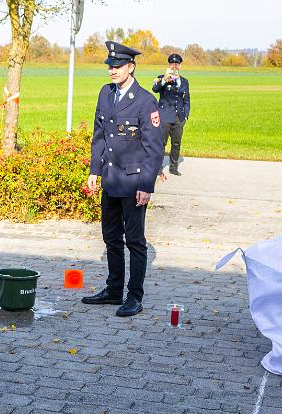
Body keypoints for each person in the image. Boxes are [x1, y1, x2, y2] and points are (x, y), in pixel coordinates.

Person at [83, 41, 163, 317]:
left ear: (131, 67)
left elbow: (154, 149)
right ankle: (114, 290)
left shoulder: (145, 100)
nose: (112, 71)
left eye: (117, 66)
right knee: (111, 237)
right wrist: (94, 170)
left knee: (135, 241)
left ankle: (134, 296)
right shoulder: (105, 94)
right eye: (109, 66)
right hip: (111, 178)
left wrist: (146, 185)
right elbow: (99, 137)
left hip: (133, 183)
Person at [152, 53, 190, 176]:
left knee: (176, 143)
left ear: (180, 66)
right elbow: (155, 89)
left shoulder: (184, 81)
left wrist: (186, 115)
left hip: (179, 117)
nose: (174, 66)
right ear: (169, 65)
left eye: (177, 64)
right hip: (165, 116)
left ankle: (173, 167)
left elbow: (187, 100)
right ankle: (157, 168)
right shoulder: (162, 78)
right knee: (161, 143)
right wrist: (164, 80)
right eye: (172, 64)